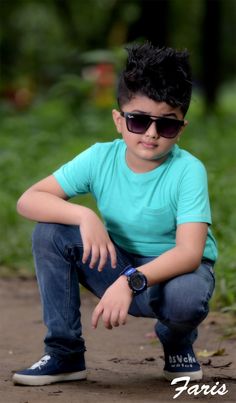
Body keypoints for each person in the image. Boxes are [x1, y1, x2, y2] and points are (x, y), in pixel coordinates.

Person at [12, 42, 217, 386]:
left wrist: (129, 281)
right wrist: (85, 217)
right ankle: (65, 352)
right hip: (117, 263)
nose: (151, 133)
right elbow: (29, 199)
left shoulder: (187, 170)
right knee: (50, 231)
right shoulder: (100, 158)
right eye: (139, 120)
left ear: (181, 129)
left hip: (173, 275)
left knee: (187, 297)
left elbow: (189, 252)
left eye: (166, 125)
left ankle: (177, 340)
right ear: (119, 120)